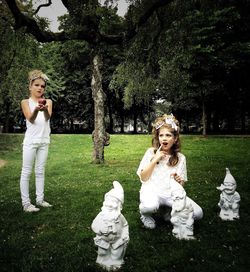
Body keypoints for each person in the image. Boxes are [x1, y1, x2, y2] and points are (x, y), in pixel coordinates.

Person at [136, 114, 203, 229]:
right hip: (151, 190)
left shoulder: (180, 158)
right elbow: (143, 178)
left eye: (168, 135)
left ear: (175, 138)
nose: (164, 138)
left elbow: (181, 185)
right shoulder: (151, 152)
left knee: (198, 213)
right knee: (150, 206)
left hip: (170, 194)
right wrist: (154, 160)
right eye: (161, 135)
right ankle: (145, 215)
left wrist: (179, 181)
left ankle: (167, 210)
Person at [20, 70, 53, 212]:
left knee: (40, 171)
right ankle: (26, 204)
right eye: (37, 85)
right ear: (30, 86)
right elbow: (31, 118)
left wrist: (44, 108)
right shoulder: (25, 102)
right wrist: (36, 110)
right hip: (31, 141)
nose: (40, 88)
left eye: (43, 86)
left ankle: (40, 200)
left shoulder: (48, 101)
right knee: (26, 172)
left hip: (44, 140)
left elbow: (47, 117)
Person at [91, 181, 129, 271]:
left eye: (113, 202)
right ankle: (103, 261)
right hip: (103, 240)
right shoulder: (101, 215)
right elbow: (94, 225)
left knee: (116, 253)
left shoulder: (120, 217)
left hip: (117, 240)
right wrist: (99, 230)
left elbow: (125, 225)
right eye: (107, 200)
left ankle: (116, 262)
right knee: (102, 252)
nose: (109, 204)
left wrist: (125, 234)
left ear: (119, 205)